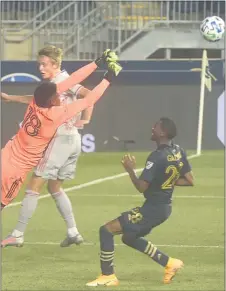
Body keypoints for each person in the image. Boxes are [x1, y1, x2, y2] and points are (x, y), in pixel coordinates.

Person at [1, 47, 117, 248]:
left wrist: (97, 63)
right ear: (52, 99)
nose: (59, 95)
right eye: (56, 95)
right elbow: (89, 98)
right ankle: (64, 231)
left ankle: (28, 234)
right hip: (22, 166)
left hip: (11, 153)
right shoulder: (56, 114)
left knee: (43, 186)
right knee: (14, 199)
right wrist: (108, 77)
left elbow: (70, 84)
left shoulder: (36, 105)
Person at [86, 117, 194, 287]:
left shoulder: (156, 157)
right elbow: (189, 180)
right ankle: (170, 263)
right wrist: (166, 181)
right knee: (129, 237)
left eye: (156, 127)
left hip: (153, 210)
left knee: (106, 230)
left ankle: (108, 275)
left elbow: (141, 187)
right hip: (163, 208)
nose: (152, 128)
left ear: (163, 132)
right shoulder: (178, 151)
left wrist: (130, 170)